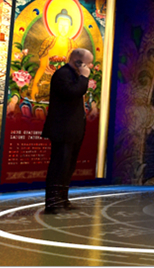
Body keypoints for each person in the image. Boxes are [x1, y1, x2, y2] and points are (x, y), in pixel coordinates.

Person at [42, 47, 93, 213]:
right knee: (59, 165)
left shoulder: (74, 75)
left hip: (74, 129)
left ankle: (63, 199)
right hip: (62, 129)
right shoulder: (62, 74)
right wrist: (84, 77)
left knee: (68, 166)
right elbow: (73, 92)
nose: (90, 67)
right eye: (87, 64)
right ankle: (53, 203)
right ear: (78, 62)